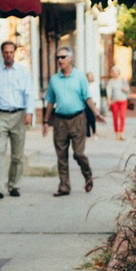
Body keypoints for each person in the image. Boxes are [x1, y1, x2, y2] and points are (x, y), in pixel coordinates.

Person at [0, 40, 36, 200]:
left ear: (15, 53)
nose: (8, 55)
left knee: (17, 154)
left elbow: (29, 93)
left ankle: (14, 185)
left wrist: (29, 112)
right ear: (2, 53)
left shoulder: (23, 72)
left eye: (11, 52)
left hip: (18, 115)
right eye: (5, 52)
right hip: (0, 116)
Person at [42, 46, 93, 196]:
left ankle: (88, 175)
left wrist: (96, 113)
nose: (60, 60)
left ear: (71, 58)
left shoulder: (80, 76)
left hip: (78, 118)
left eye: (63, 57)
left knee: (78, 153)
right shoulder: (54, 79)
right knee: (61, 155)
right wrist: (45, 122)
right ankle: (64, 185)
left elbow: (87, 97)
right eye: (58, 57)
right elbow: (50, 101)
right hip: (60, 121)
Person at [105, 68, 130, 140]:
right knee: (115, 117)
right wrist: (108, 99)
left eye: (116, 72)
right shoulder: (110, 82)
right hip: (114, 101)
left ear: (119, 73)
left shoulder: (123, 80)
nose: (114, 73)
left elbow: (128, 89)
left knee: (122, 116)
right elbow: (108, 91)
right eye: (113, 72)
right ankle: (117, 133)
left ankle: (122, 133)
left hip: (123, 100)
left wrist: (124, 89)